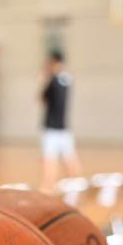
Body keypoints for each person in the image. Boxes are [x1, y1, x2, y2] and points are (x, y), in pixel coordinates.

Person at [40, 50, 82, 191]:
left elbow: (41, 99)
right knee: (70, 159)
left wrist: (44, 79)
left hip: (51, 128)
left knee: (50, 162)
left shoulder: (52, 80)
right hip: (64, 127)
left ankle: (48, 189)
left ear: (54, 63)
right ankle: (78, 189)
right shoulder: (68, 79)